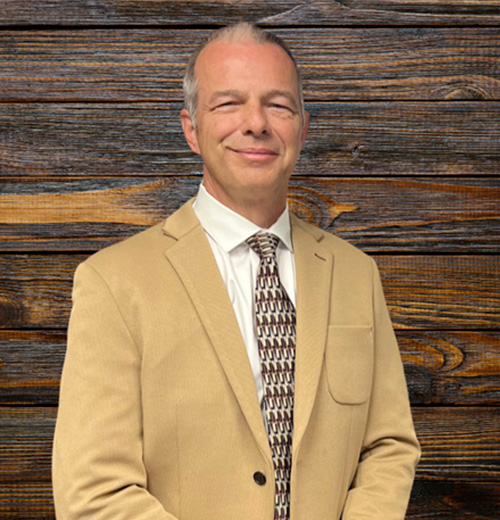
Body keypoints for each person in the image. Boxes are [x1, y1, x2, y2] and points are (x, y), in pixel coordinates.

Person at [52, 22, 420, 520]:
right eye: (228, 104)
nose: (256, 123)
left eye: (278, 105)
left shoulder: (356, 275)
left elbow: (389, 446)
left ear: (302, 128)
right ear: (191, 129)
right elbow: (93, 491)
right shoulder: (114, 283)